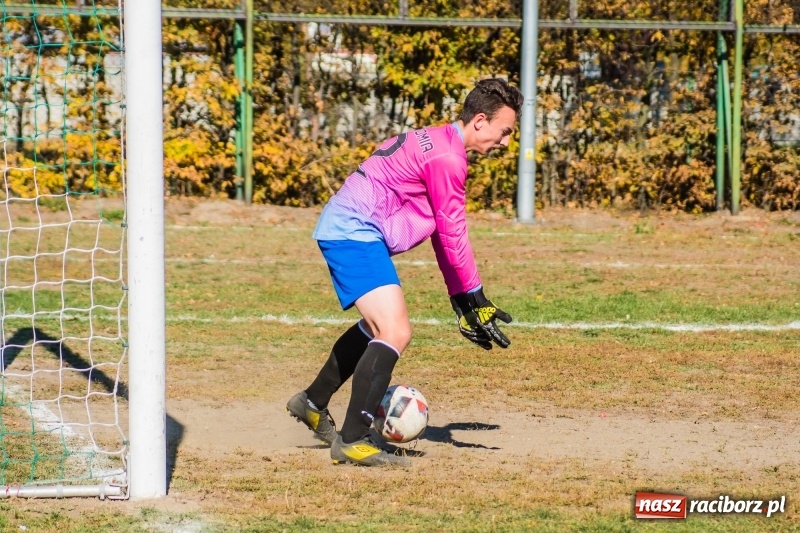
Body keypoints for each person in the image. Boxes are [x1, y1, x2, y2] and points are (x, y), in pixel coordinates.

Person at [286, 78, 524, 467]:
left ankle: (312, 401)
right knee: (395, 331)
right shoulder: (449, 159)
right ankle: (352, 439)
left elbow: (443, 236)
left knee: (374, 328)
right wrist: (473, 296)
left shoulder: (439, 140)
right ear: (480, 121)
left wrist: (462, 296)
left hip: (351, 227)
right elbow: (452, 232)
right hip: (354, 230)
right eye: (505, 131)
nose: (505, 142)